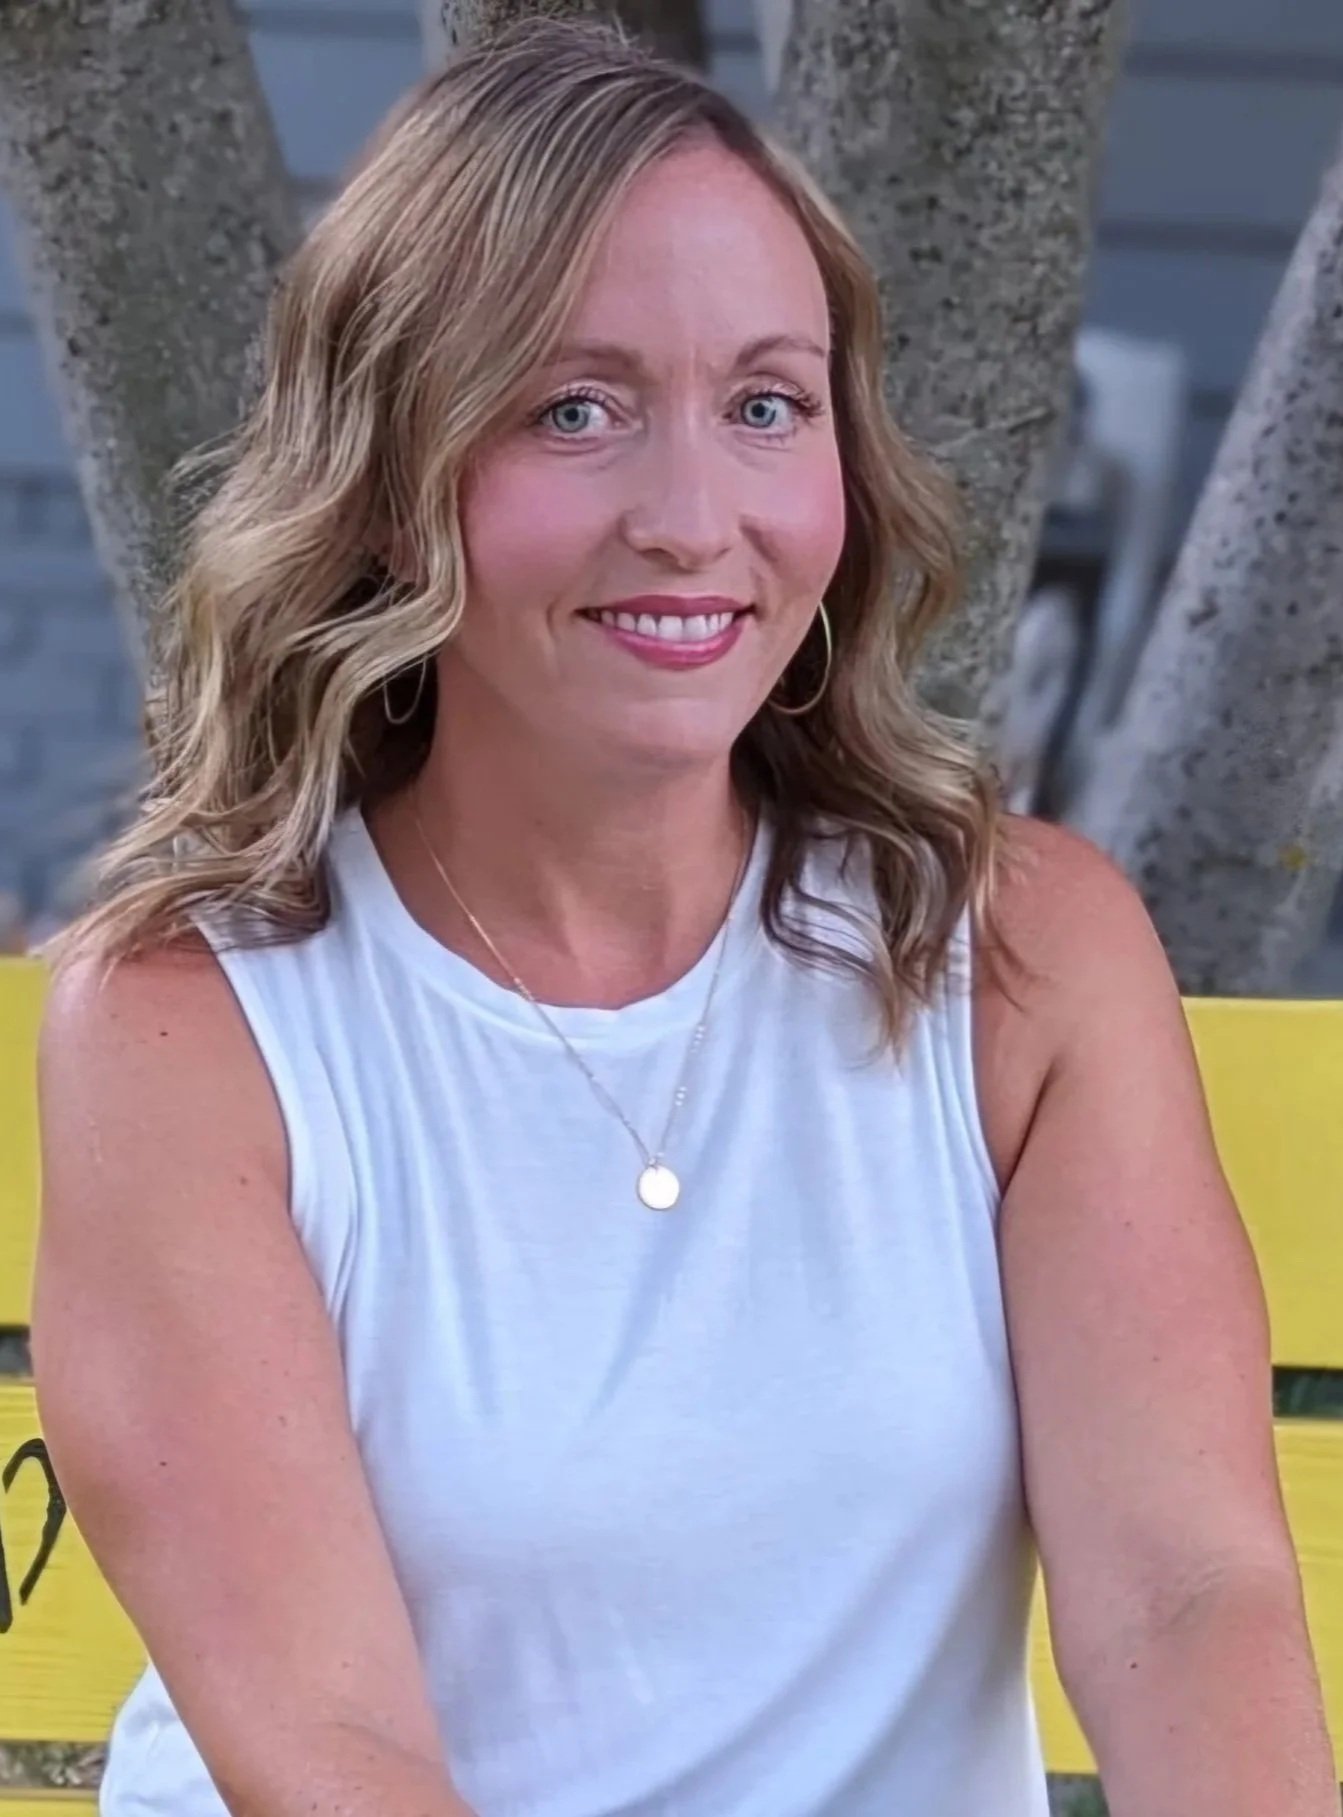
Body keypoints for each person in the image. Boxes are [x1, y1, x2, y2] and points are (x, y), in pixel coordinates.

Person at [30, 17, 1336, 1817]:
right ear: (398, 487)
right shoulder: (192, 1023)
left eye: (765, 404)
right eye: (576, 408)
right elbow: (338, 1763)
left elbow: (1190, 1595)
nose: (692, 516)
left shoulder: (1025, 958)